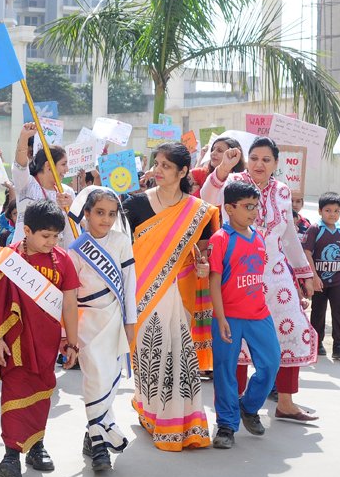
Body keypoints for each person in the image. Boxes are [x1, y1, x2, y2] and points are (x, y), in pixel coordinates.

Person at [201, 137, 318, 422]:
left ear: (276, 164)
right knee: (235, 343)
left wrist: (305, 274)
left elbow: (289, 236)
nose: (259, 164)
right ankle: (235, 404)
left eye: (266, 160)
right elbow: (205, 199)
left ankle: (286, 402)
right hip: (239, 273)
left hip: (277, 274)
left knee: (292, 330)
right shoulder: (233, 182)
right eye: (254, 158)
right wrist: (222, 170)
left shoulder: (282, 191)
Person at [123, 143, 216, 451]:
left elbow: (204, 251)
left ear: (183, 171)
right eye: (157, 164)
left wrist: (203, 263)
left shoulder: (198, 210)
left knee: (179, 356)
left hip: (181, 291)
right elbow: (124, 250)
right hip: (144, 291)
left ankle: (181, 421)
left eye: (165, 165)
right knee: (151, 354)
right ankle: (151, 413)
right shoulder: (134, 205)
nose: (158, 170)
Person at [0, 199, 80, 477]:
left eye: (56, 236)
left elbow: (69, 304)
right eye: (45, 236)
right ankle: (10, 454)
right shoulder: (8, 259)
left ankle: (37, 446)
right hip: (15, 342)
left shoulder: (63, 259)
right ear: (27, 230)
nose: (51, 242)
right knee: (14, 394)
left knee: (42, 393)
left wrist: (72, 342)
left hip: (47, 341)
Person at [67, 187, 136, 471]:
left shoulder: (121, 242)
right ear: (86, 213)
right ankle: (98, 441)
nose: (106, 219)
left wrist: (131, 323)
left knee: (110, 378)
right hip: (87, 322)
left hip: (114, 318)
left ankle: (93, 434)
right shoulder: (75, 246)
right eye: (99, 213)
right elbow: (68, 294)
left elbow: (129, 284)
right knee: (95, 379)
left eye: (111, 214)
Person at [208, 181, 281, 449]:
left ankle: (248, 407)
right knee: (225, 370)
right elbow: (214, 282)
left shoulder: (259, 237)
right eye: (247, 207)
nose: (253, 212)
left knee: (271, 363)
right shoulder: (221, 239)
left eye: (256, 206)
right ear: (229, 208)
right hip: (228, 318)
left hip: (258, 314)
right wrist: (221, 317)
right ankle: (226, 425)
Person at [303, 192, 340, 359]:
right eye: (328, 210)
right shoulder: (315, 230)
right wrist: (314, 277)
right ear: (320, 211)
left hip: (338, 281)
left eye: (336, 211)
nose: (332, 214)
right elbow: (307, 252)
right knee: (318, 311)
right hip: (320, 281)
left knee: (339, 311)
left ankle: (339, 345)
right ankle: (316, 343)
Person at [11, 122, 75, 245]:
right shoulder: (26, 184)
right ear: (48, 165)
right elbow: (20, 166)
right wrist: (24, 137)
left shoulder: (67, 192)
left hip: (52, 258)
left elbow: (70, 233)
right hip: (23, 256)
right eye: (63, 164)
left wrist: (70, 208)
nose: (67, 170)